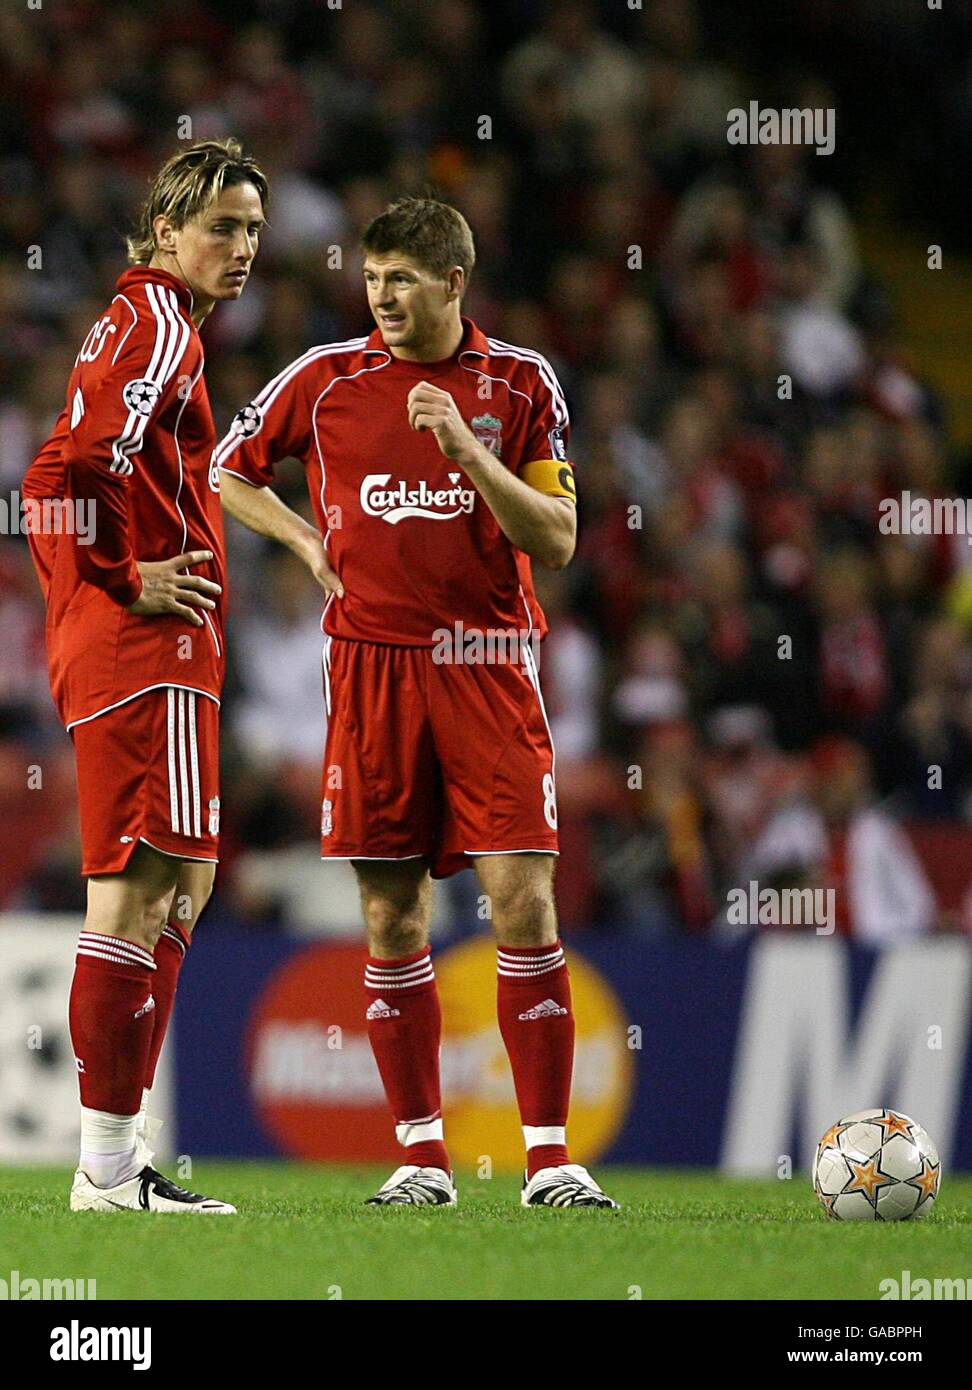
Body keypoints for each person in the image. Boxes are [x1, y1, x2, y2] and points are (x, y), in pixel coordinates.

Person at [217, 196, 618, 1208]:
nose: (383, 297)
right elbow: (227, 468)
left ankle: (549, 1159)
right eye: (374, 278)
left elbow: (559, 541)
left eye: (403, 279)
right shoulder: (328, 376)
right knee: (393, 912)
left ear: (452, 282)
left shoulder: (518, 381)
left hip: (487, 666)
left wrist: (472, 455)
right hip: (369, 670)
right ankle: (420, 1157)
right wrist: (308, 542)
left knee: (523, 900)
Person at [22, 139, 268, 1213]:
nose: (244, 246)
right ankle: (109, 1170)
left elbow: (49, 468)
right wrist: (120, 582)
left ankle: (115, 1166)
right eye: (222, 225)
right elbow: (80, 465)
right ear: (165, 230)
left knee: (183, 886)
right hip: (147, 654)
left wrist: (75, 595)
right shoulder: (161, 321)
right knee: (136, 893)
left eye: (255, 228)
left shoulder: (145, 324)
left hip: (134, 648)